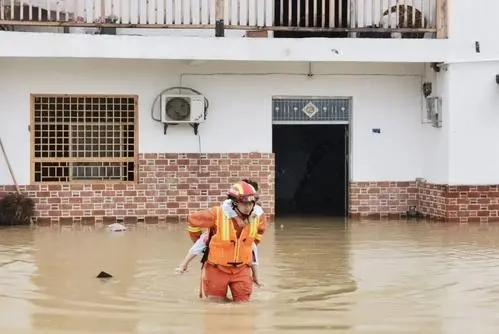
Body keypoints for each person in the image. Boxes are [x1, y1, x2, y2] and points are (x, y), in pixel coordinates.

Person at [186, 180, 269, 302]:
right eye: (244, 203)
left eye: (251, 203)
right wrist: (202, 243)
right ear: (234, 203)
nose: (248, 207)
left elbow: (258, 234)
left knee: (243, 306)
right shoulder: (217, 213)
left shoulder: (259, 216)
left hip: (242, 269)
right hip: (216, 268)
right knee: (215, 304)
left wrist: (244, 248)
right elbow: (193, 220)